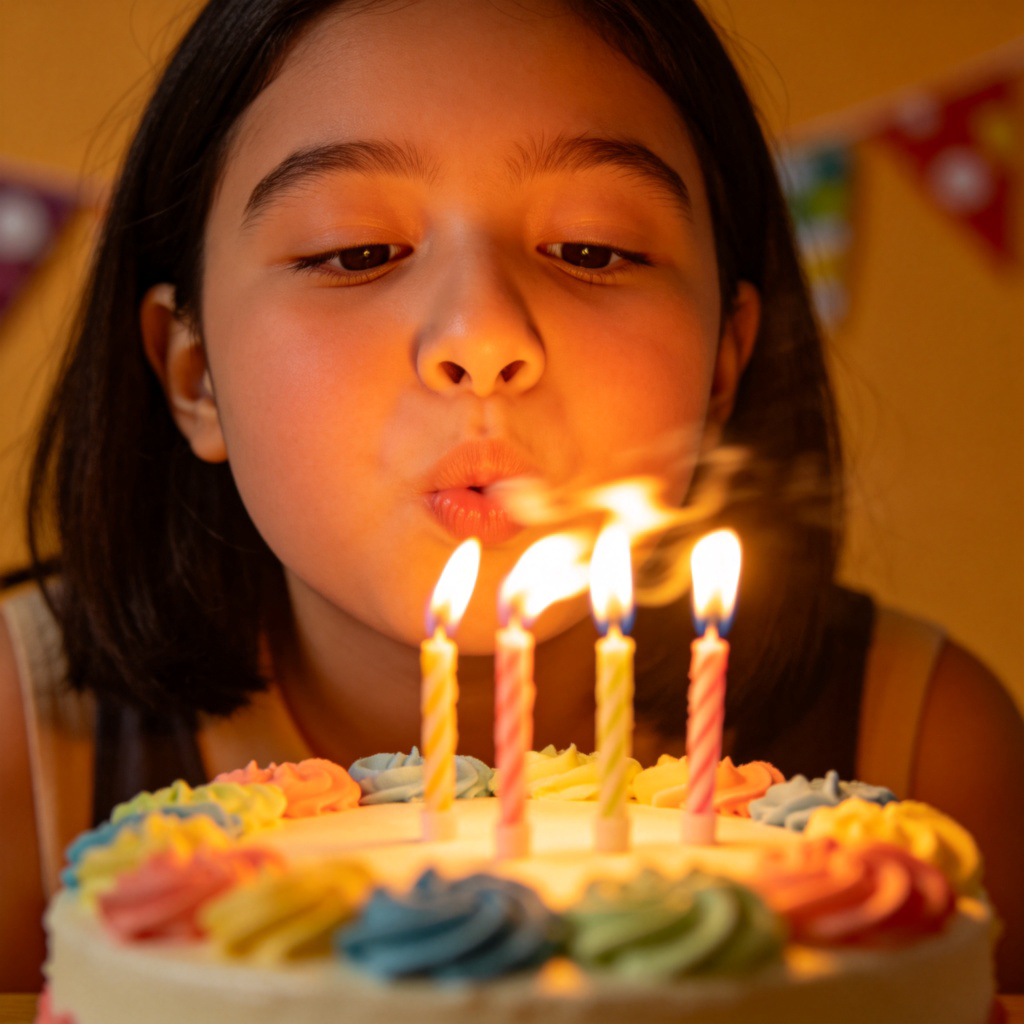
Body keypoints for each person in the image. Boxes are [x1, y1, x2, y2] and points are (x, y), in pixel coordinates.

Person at [1, 0, 1021, 995]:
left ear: (722, 365)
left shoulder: (927, 748)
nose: (482, 338)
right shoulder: (24, 739)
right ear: (194, 376)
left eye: (591, 249)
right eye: (356, 252)